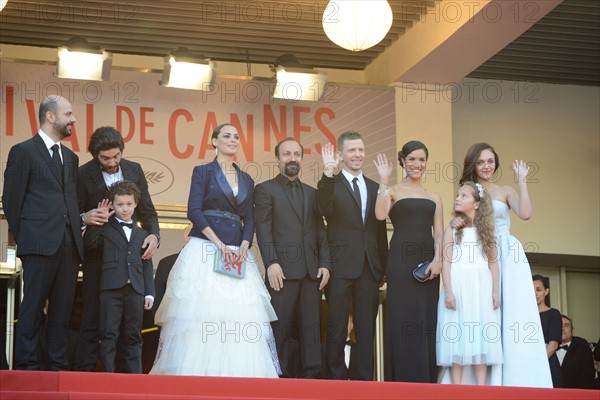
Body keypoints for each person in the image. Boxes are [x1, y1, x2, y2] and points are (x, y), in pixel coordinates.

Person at [150, 123, 280, 377]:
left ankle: (237, 375)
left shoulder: (247, 178)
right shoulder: (202, 172)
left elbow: (250, 217)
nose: (232, 140)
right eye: (226, 136)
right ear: (214, 141)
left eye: (236, 137)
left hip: (236, 251)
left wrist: (245, 243)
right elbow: (193, 210)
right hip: (206, 248)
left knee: (239, 314)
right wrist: (218, 244)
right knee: (202, 311)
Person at [457, 143, 552, 387]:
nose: (486, 166)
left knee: (512, 310)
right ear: (473, 165)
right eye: (481, 162)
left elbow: (526, 213)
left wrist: (522, 180)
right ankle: (482, 379)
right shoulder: (468, 190)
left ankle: (516, 375)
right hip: (480, 251)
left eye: (490, 161)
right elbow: (461, 220)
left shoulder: (506, 190)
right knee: (485, 309)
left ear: (496, 164)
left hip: (508, 253)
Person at [2, 95, 84, 370]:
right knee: (32, 307)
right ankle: (27, 366)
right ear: (51, 116)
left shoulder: (71, 158)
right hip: (37, 245)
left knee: (61, 311)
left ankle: (57, 367)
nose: (73, 119)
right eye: (68, 114)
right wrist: (26, 240)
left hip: (69, 247)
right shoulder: (23, 151)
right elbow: (11, 201)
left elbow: (70, 201)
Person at [75, 126, 160, 372]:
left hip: (130, 258)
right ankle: (86, 373)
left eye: (116, 156)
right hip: (96, 256)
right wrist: (87, 216)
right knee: (92, 316)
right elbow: (75, 212)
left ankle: (127, 378)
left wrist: (154, 235)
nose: (112, 162)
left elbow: (148, 209)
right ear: (95, 156)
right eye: (105, 158)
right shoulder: (83, 174)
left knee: (131, 326)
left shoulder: (134, 169)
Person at [254, 137, 331, 378]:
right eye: (287, 154)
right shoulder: (265, 190)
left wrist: (326, 264)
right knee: (280, 328)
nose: (292, 158)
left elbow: (321, 231)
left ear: (301, 158)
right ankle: (277, 377)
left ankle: (312, 378)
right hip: (281, 272)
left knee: (311, 329)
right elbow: (263, 229)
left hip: (311, 273)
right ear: (278, 159)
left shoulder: (312, 193)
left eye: (296, 154)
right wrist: (271, 262)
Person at [316, 131, 388, 381]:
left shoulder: (375, 186)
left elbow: (379, 230)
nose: (357, 155)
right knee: (336, 326)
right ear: (341, 155)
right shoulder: (330, 183)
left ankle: (363, 382)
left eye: (360, 150)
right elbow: (321, 209)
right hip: (339, 266)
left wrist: (383, 267)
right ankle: (335, 380)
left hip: (369, 268)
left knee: (366, 329)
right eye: (351, 150)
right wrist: (327, 172)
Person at [373, 141, 443, 383]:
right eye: (412, 159)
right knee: (403, 319)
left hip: (429, 266)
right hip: (401, 264)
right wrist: (383, 180)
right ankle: (402, 382)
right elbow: (380, 215)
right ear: (403, 160)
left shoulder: (434, 196)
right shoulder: (393, 191)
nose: (417, 164)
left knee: (426, 319)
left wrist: (438, 261)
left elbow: (440, 233)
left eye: (421, 160)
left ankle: (426, 383)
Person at [84, 181, 155, 373]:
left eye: (129, 204)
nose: (125, 209)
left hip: (136, 290)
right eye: (120, 204)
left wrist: (149, 293)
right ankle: (107, 377)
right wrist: (99, 222)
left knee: (134, 335)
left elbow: (147, 263)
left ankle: (134, 379)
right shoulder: (105, 228)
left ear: (135, 204)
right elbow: (90, 247)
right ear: (112, 205)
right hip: (110, 289)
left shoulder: (143, 233)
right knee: (109, 334)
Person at [437, 182, 502, 385]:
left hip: (480, 287)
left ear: (476, 204)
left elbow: (493, 263)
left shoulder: (487, 232)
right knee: (456, 333)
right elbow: (446, 263)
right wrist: (448, 291)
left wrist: (495, 290)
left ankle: (481, 386)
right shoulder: (452, 229)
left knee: (480, 332)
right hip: (457, 284)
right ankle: (457, 386)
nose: (458, 198)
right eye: (458, 195)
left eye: (464, 195)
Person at [152, 225, 192, 317]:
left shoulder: (209, 265)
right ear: (187, 237)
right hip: (170, 317)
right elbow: (158, 294)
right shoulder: (166, 263)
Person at [532, 274, 563, 387]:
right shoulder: (525, 316)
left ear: (546, 291)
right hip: (528, 363)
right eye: (531, 289)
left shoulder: (554, 314)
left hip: (547, 363)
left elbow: (553, 345)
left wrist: (538, 363)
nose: (535, 293)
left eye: (539, 290)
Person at [558, 315, 596, 389]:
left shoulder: (582, 345)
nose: (562, 329)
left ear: (572, 330)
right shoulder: (547, 346)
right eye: (559, 325)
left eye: (566, 325)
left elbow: (588, 375)